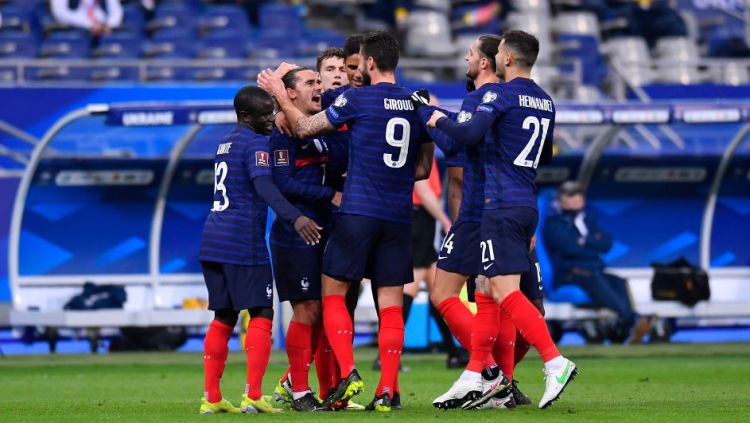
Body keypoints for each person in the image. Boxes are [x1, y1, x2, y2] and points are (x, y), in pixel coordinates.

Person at [258, 30, 434, 412]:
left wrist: (279, 96)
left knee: (332, 297)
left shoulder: (355, 101)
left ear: (369, 62)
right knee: (390, 305)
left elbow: (305, 127)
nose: (344, 75)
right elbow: (423, 168)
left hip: (356, 213)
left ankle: (347, 373)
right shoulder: (416, 102)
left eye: (351, 66)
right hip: (398, 216)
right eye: (332, 70)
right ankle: (385, 390)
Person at [422, 30, 577, 410]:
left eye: (473, 53)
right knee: (488, 291)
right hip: (526, 202)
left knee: (503, 293)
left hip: (498, 205)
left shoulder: (498, 95)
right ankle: (480, 375)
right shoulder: (545, 100)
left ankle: (552, 362)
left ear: (504, 58)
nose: (468, 58)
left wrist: (433, 117)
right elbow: (544, 156)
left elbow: (467, 134)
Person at [197, 86, 322, 414]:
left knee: (224, 316)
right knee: (262, 313)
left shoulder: (225, 142)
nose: (271, 119)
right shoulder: (255, 143)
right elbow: (264, 184)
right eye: (265, 115)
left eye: (272, 112)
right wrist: (295, 217)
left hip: (212, 239)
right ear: (245, 116)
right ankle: (253, 395)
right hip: (242, 242)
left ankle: (211, 398)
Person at [267, 67, 343, 412]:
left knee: (324, 310)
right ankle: (299, 391)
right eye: (310, 82)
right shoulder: (283, 134)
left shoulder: (319, 129)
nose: (319, 87)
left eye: (318, 81)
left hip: (325, 227)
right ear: (291, 93)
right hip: (295, 232)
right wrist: (330, 194)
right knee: (307, 308)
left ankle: (316, 387)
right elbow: (283, 182)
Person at [543, 181, 649, 344]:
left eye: (577, 195)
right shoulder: (554, 224)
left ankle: (626, 325)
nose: (574, 199)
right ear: (560, 200)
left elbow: (606, 244)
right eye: (569, 195)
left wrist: (584, 241)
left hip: (593, 269)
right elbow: (569, 249)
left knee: (618, 281)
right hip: (569, 273)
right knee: (595, 279)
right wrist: (592, 245)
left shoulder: (588, 220)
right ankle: (631, 321)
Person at [50, 0, 123, 36]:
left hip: (104, 28)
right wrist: (89, 24)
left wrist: (109, 25)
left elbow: (116, 11)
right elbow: (59, 12)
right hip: (74, 29)